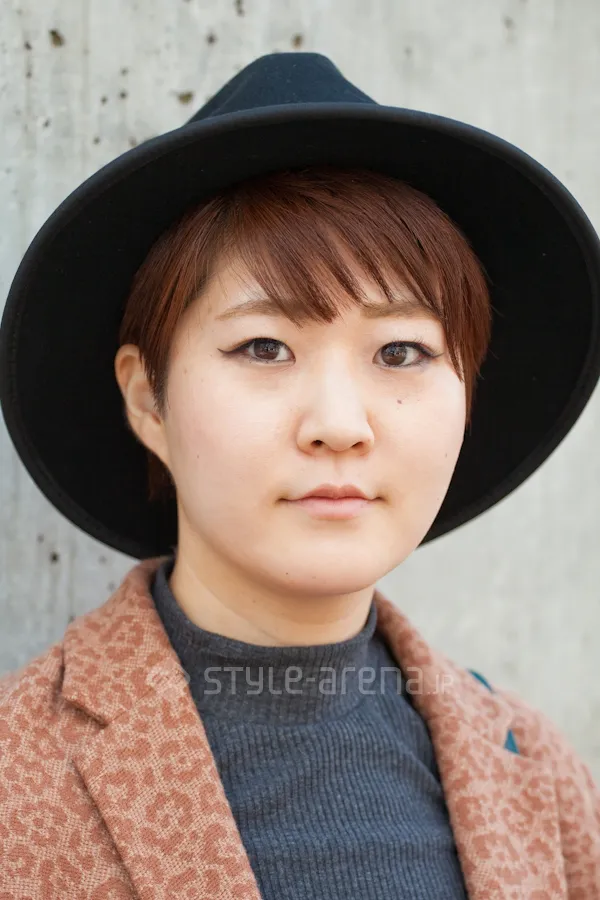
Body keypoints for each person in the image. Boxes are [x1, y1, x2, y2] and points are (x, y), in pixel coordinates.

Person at [0, 51, 599, 899]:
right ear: (148, 399)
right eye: (264, 347)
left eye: (402, 352)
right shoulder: (18, 778)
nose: (340, 425)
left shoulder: (535, 772)